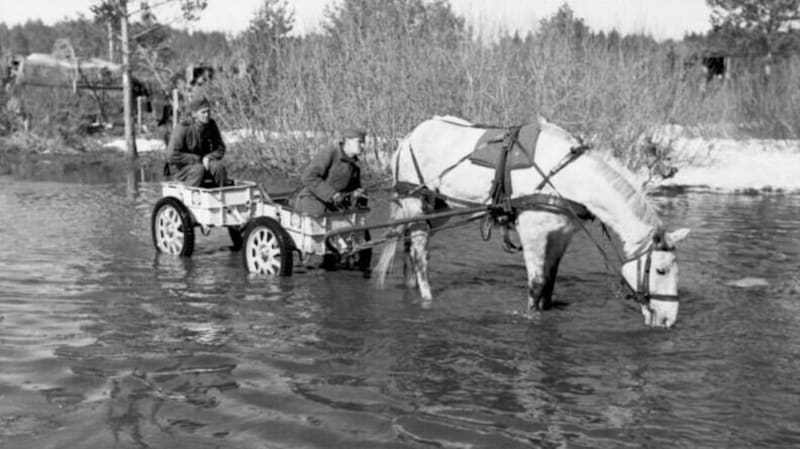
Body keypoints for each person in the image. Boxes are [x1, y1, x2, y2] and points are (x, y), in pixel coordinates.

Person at [293, 128, 367, 216]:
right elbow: (308, 177)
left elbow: (350, 192)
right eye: (360, 142)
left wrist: (356, 196)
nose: (363, 146)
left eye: (363, 143)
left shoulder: (355, 165)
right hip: (312, 203)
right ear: (348, 141)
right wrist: (332, 194)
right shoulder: (329, 153)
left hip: (334, 207)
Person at [164, 96, 227, 187]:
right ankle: (189, 198)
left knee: (218, 168)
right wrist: (195, 159)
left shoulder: (211, 125)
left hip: (203, 163)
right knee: (198, 169)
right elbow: (170, 156)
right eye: (203, 112)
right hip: (181, 169)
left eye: (208, 111)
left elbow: (220, 148)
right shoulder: (183, 128)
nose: (207, 115)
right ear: (194, 114)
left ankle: (220, 195)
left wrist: (209, 157)